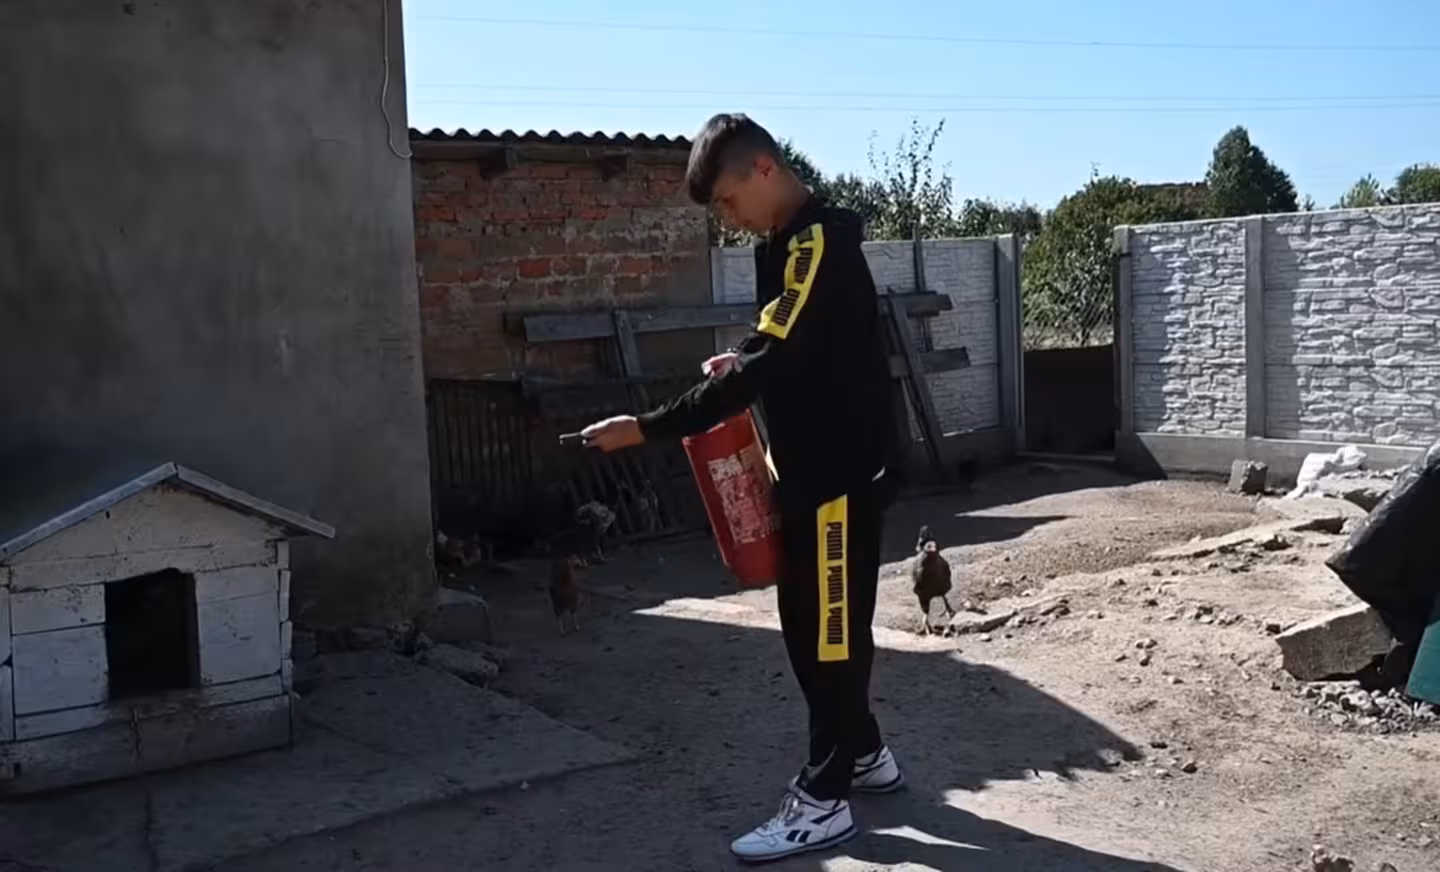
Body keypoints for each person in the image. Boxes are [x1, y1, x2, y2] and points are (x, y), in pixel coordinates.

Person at [580, 112, 902, 863]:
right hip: (812, 470)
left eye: (728, 201)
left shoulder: (817, 243)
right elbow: (791, 348)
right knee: (809, 626)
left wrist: (649, 426)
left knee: (827, 636)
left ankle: (824, 800)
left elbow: (773, 356)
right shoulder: (785, 246)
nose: (728, 219)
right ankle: (863, 753)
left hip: (839, 478)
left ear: (764, 169)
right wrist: (748, 363)